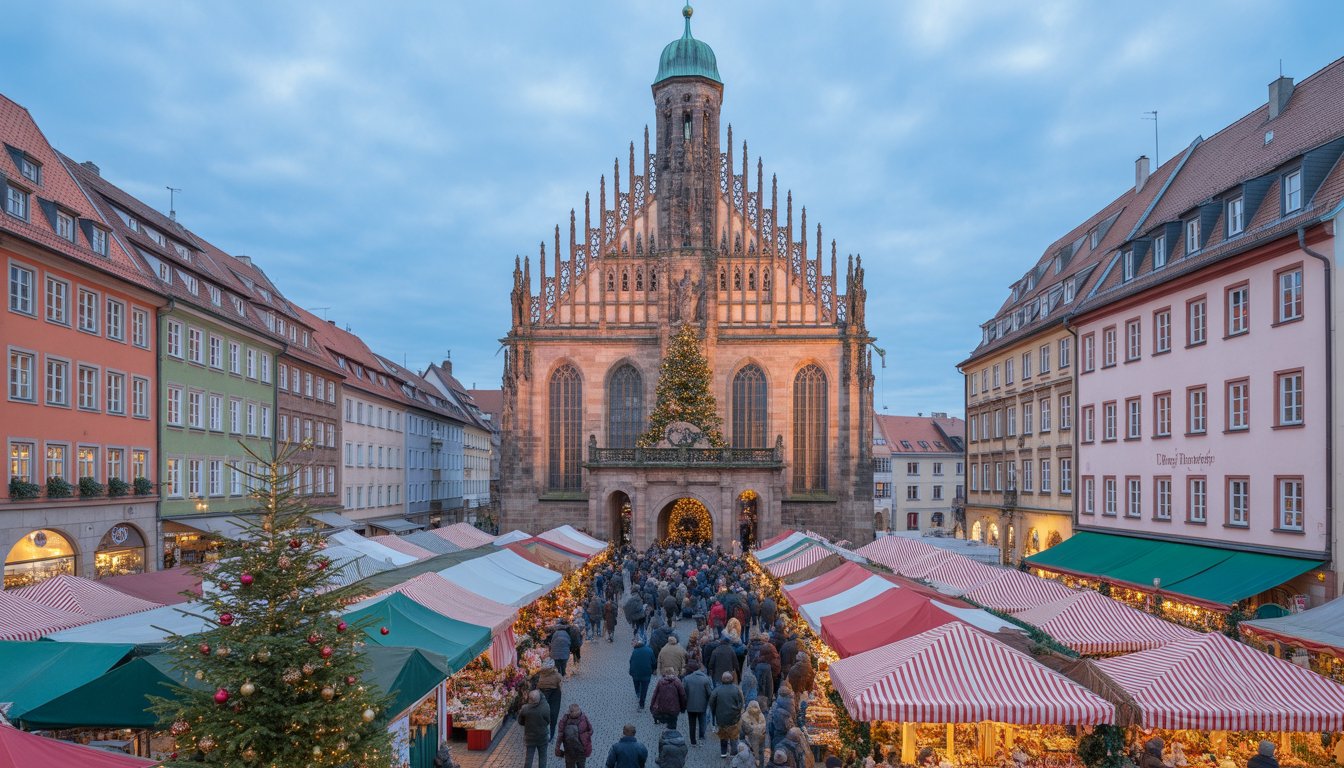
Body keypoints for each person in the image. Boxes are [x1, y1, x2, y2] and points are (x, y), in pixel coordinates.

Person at [709, 671, 746, 758]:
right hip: (733, 718)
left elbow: (711, 703)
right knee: (733, 736)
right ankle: (733, 754)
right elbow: (741, 702)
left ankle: (723, 753)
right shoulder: (736, 690)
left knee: (723, 736)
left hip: (721, 718)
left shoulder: (717, 690)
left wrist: (715, 712)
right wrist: (737, 711)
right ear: (731, 679)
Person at [683, 663, 713, 747]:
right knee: (702, 721)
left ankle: (693, 741)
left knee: (691, 723)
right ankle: (701, 736)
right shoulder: (705, 679)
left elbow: (683, 692)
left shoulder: (687, 679)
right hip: (702, 705)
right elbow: (709, 693)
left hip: (690, 705)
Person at [520, 690, 552, 768]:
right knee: (543, 757)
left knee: (529, 758)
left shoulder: (525, 709)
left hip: (530, 737)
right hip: (542, 737)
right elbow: (548, 720)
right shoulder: (545, 707)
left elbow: (520, 721)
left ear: (529, 699)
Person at [650, 667, 688, 731]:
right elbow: (682, 695)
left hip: (662, 707)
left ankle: (665, 734)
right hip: (674, 708)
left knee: (665, 722)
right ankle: (672, 736)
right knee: (673, 724)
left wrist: (652, 705)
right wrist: (683, 707)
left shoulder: (661, 681)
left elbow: (655, 694)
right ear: (673, 673)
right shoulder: (677, 681)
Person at [556, 704, 593, 768]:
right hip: (576, 750)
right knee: (580, 765)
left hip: (572, 750)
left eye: (577, 711)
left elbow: (560, 736)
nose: (577, 712)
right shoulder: (583, 717)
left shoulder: (565, 720)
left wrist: (558, 749)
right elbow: (591, 731)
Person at [535, 660, 564, 741]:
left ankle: (542, 733)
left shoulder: (539, 675)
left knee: (542, 715)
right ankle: (551, 735)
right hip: (555, 696)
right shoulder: (557, 675)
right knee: (554, 716)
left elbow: (535, 685)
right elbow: (560, 685)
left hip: (542, 695)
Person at [629, 638, 656, 710]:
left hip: (635, 673)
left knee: (636, 683)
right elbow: (653, 662)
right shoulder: (650, 650)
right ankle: (642, 703)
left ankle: (638, 693)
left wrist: (631, 671)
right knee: (644, 688)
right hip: (646, 673)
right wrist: (653, 669)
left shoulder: (635, 651)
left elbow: (631, 661)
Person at [740, 701, 768, 768]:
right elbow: (763, 726)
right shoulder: (759, 714)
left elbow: (763, 726)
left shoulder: (745, 716)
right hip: (754, 739)